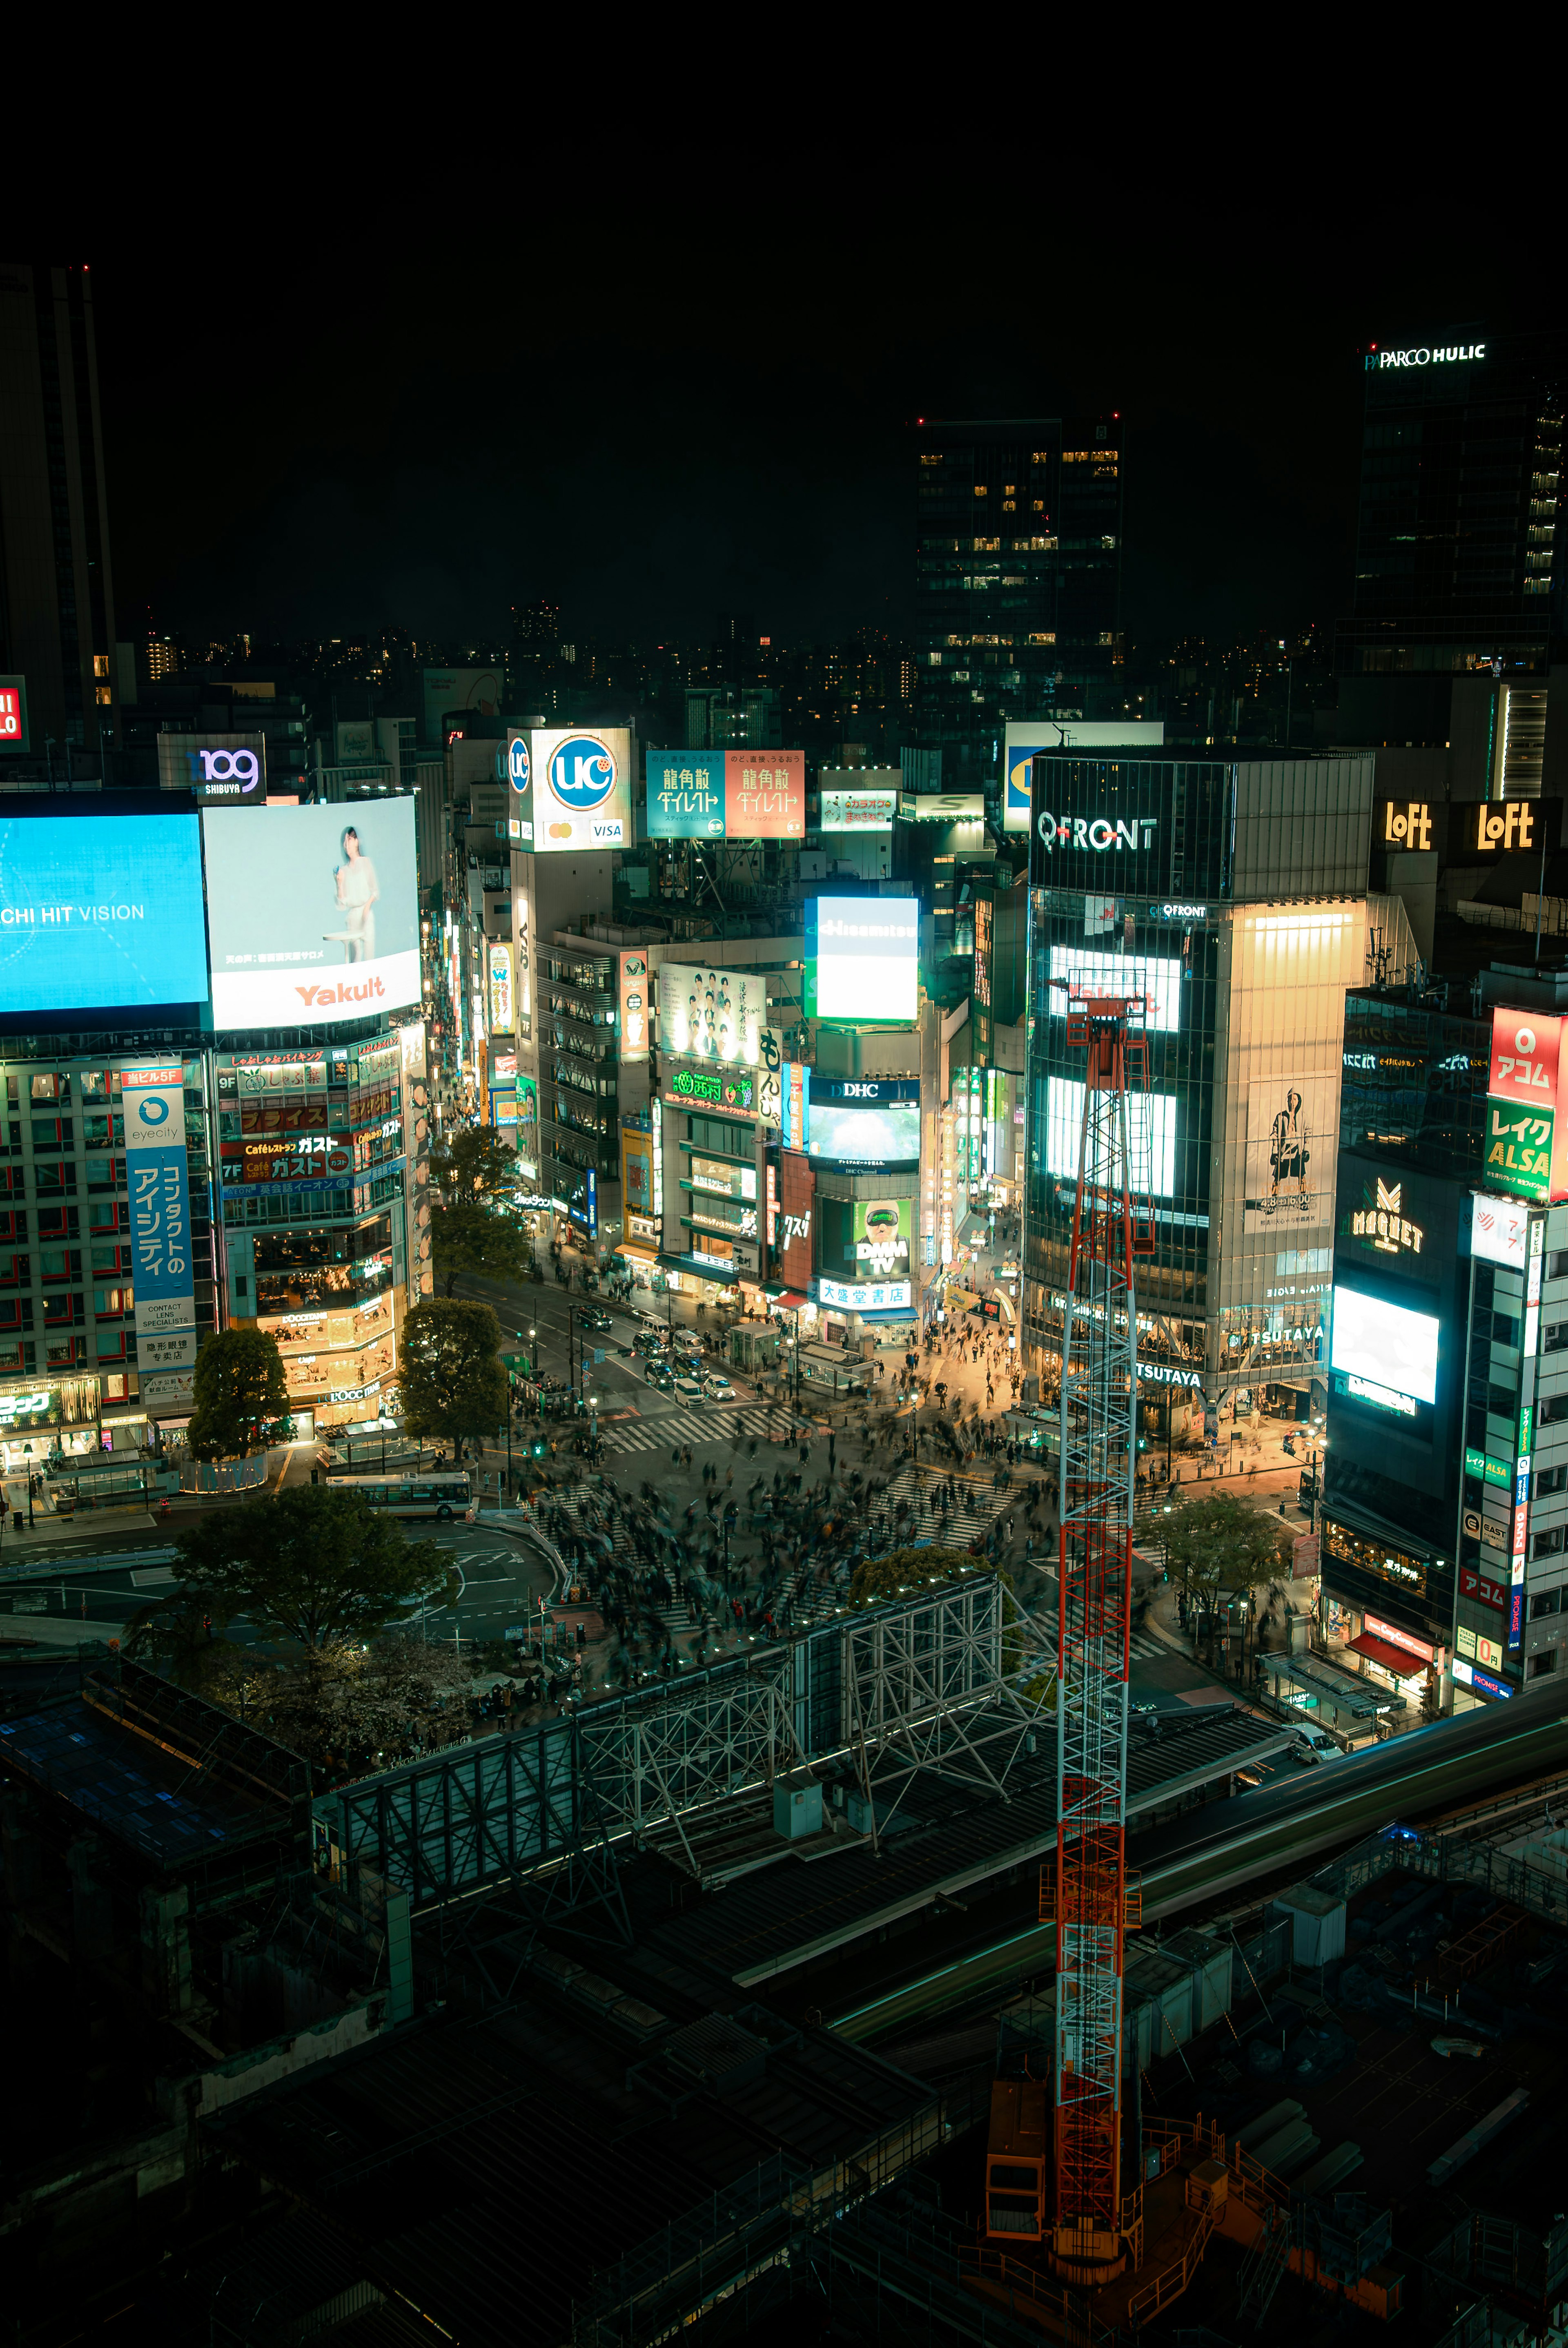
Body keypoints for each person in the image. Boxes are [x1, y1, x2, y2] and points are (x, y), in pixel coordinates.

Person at [323, 824, 380, 964]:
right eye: (345, 842)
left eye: (349, 840)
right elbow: (342, 904)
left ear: (356, 841)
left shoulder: (365, 862)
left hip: (366, 915)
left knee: (369, 958)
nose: (346, 845)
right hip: (353, 916)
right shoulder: (344, 870)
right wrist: (339, 883)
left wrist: (367, 906)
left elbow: (375, 891)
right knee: (355, 958)